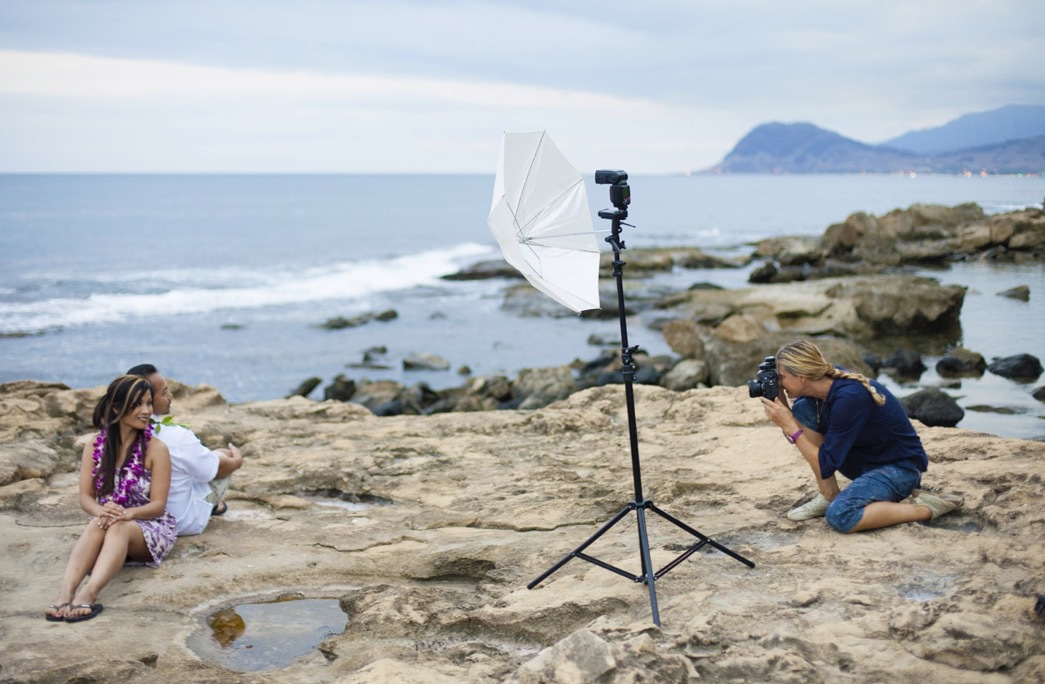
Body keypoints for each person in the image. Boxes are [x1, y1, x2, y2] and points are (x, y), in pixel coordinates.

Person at [760, 339, 963, 533]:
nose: (780, 382)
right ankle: (829, 495)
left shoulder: (850, 397)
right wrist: (783, 406)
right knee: (803, 409)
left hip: (899, 469)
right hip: (863, 462)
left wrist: (789, 426)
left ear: (802, 376)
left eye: (782, 377)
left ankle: (927, 507)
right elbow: (820, 453)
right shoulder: (821, 386)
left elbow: (825, 462)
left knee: (841, 515)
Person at [45, 375, 176, 622]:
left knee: (118, 526)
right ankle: (65, 593)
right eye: (138, 404)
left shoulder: (156, 449)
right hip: (109, 519)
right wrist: (101, 511)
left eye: (149, 403)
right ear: (117, 407)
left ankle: (89, 592)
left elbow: (158, 506)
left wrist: (128, 513)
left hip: (149, 526)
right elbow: (86, 498)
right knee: (100, 522)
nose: (146, 410)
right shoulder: (94, 446)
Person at [127, 364, 244, 536]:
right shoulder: (175, 436)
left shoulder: (114, 435)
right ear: (147, 399)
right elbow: (210, 473)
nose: (170, 396)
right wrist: (237, 461)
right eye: (165, 392)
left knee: (200, 462)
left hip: (134, 516)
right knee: (221, 459)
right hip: (180, 521)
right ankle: (213, 505)